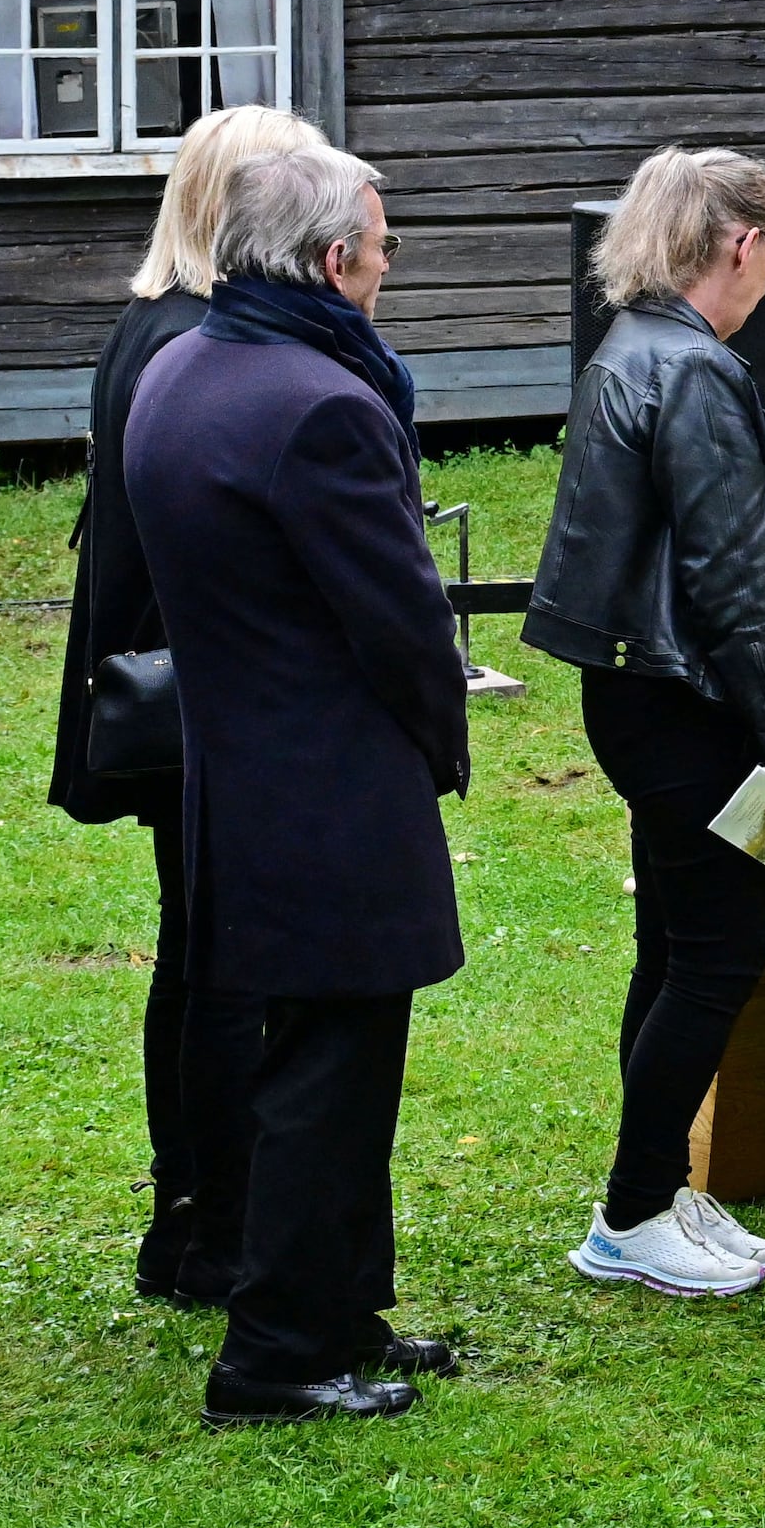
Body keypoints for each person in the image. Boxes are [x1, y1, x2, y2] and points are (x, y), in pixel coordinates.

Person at [121, 137, 472, 1425]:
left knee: (313, 1062)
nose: (387, 269)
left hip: (238, 776)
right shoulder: (321, 404)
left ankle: (339, 1311)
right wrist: (444, 741)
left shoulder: (179, 370)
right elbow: (401, 620)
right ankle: (276, 1354)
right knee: (330, 1075)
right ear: (333, 263)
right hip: (329, 791)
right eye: (380, 249)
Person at [527, 146, 765, 1299]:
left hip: (639, 693)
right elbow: (730, 577)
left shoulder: (629, 348)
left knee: (671, 949)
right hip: (689, 702)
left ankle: (654, 1189)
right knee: (717, 957)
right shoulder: (694, 372)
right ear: (743, 245)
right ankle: (632, 1213)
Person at [49, 102, 318, 1311]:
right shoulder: (191, 337)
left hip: (176, 691)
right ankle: (215, 1228)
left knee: (203, 959)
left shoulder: (152, 323)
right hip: (203, 699)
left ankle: (191, 1216)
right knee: (227, 973)